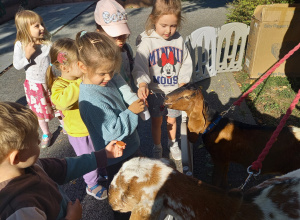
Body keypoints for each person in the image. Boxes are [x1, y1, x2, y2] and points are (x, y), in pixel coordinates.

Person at [0, 101, 126, 220]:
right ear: (16, 157)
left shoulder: (31, 164)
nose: (39, 141)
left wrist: (103, 155)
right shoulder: (20, 210)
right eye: (35, 139)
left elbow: (65, 167)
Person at [76, 31, 144, 219]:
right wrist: (131, 112)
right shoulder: (90, 101)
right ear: (82, 66)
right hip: (117, 157)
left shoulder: (103, 80)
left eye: (112, 71)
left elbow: (117, 82)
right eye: (103, 73)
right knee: (123, 199)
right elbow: (111, 132)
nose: (108, 77)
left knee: (136, 190)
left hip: (128, 149)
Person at [46, 38, 108, 200]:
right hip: (78, 132)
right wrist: (80, 82)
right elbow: (63, 102)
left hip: (93, 127)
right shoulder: (60, 85)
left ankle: (101, 171)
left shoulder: (82, 79)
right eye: (80, 62)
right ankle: (92, 184)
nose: (84, 65)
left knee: (99, 150)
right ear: (64, 67)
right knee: (87, 158)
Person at [132, 0, 193, 160]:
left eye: (173, 26)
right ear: (153, 19)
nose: (168, 30)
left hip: (174, 91)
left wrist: (183, 81)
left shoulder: (179, 40)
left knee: (172, 120)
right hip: (155, 92)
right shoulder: (147, 41)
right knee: (157, 122)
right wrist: (143, 82)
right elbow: (140, 64)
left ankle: (173, 143)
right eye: (164, 25)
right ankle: (157, 146)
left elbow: (186, 62)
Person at [13, 10, 62, 148]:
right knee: (39, 112)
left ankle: (65, 125)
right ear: (24, 29)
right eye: (36, 26)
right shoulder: (20, 45)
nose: (42, 28)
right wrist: (27, 55)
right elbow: (17, 65)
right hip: (34, 85)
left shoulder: (46, 43)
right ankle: (46, 133)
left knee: (58, 106)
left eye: (42, 24)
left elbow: (54, 59)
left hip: (51, 81)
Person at [94, 0, 137, 92]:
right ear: (99, 32)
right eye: (115, 35)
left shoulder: (126, 49)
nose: (121, 39)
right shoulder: (96, 57)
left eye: (123, 34)